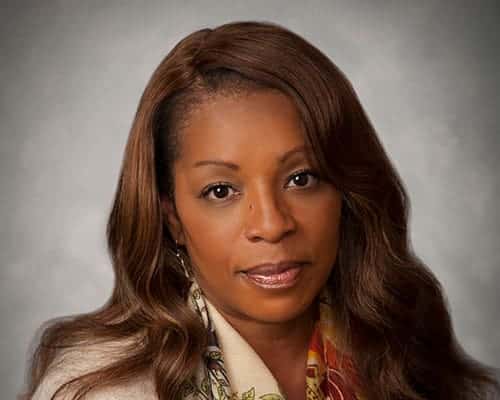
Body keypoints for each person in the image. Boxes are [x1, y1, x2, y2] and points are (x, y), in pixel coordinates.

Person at [20, 20, 499, 400]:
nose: (272, 224)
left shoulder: (411, 360)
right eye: (221, 191)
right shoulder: (96, 390)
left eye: (301, 179)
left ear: (347, 193)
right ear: (172, 217)